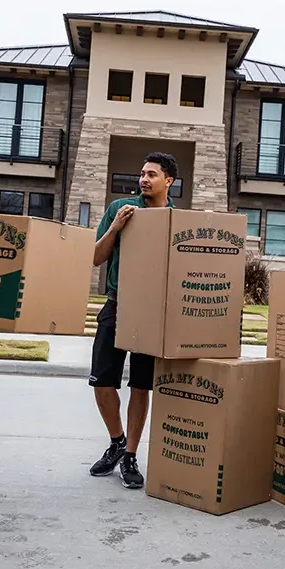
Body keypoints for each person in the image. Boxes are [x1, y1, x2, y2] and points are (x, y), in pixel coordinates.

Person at [87, 152, 177, 490]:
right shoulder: (120, 208)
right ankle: (117, 440)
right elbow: (96, 257)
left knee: (141, 385)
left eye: (152, 174)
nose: (144, 179)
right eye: (142, 173)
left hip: (152, 312)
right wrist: (116, 227)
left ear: (168, 181)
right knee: (101, 382)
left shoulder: (175, 219)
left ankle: (131, 456)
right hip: (116, 303)